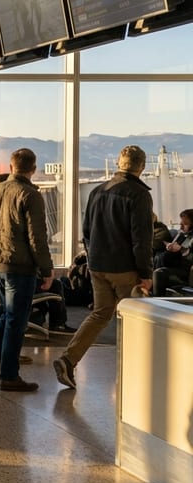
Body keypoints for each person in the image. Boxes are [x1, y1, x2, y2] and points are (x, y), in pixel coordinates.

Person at [53, 145, 151, 390]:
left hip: (98, 265)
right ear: (142, 166)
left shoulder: (98, 191)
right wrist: (145, 274)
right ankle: (136, 373)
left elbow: (86, 231)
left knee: (100, 314)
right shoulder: (138, 195)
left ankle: (68, 359)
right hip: (125, 267)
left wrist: (92, 257)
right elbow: (142, 239)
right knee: (137, 318)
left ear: (119, 162)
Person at [0, 148, 53, 393]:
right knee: (16, 322)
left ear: (11, 167)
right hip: (19, 265)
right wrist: (47, 269)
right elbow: (37, 238)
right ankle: (9, 375)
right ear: (33, 169)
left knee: (8, 315)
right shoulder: (30, 195)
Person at [152, 208, 193, 296]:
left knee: (159, 273)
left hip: (187, 272)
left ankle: (158, 303)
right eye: (180, 224)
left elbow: (189, 257)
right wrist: (170, 249)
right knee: (159, 258)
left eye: (185, 224)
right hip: (177, 266)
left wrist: (180, 250)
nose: (181, 227)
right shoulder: (182, 235)